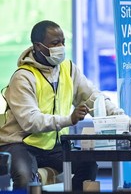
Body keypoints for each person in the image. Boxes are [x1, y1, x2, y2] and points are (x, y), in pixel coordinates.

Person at [0, 20, 124, 191]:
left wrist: (118, 116)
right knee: (24, 177)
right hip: (20, 144)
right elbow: (31, 121)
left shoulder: (68, 69)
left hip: (53, 146)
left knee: (88, 165)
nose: (61, 47)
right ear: (38, 46)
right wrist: (69, 119)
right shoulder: (23, 77)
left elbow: (92, 97)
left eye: (63, 42)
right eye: (55, 43)